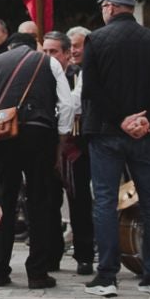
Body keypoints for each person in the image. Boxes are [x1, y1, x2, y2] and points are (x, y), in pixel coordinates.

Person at [79, 0, 150, 297]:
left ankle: (107, 276)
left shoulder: (96, 40)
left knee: (106, 201)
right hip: (146, 133)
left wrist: (121, 118)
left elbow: (91, 89)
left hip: (108, 132)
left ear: (109, 7)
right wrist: (145, 118)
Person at [0, 18, 66, 289]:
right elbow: (65, 104)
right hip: (39, 134)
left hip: (3, 136)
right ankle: (37, 272)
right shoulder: (48, 62)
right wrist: (61, 139)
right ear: (35, 46)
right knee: (38, 200)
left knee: (3, 200)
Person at [62, 24, 93, 275]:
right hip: (72, 144)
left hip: (93, 138)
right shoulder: (66, 72)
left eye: (78, 46)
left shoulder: (92, 69)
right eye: (70, 46)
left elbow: (75, 103)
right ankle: (83, 252)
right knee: (78, 198)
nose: (73, 51)